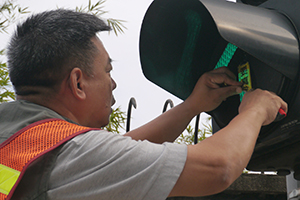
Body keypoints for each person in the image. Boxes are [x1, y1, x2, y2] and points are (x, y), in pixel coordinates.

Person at [0, 9, 287, 200]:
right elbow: (218, 168)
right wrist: (255, 110)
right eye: (107, 71)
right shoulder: (73, 155)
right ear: (78, 83)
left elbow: (115, 155)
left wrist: (193, 106)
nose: (112, 83)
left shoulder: (19, 140)